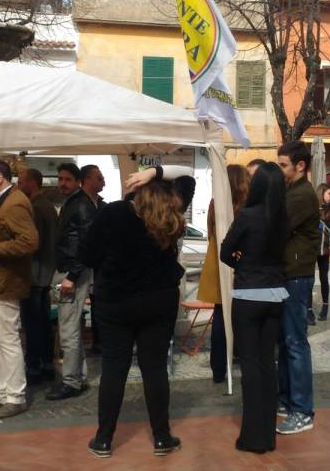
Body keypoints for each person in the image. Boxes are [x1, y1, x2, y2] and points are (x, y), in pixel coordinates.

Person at [82, 166, 194, 458]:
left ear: (136, 188)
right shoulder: (170, 211)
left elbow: (86, 254)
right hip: (158, 300)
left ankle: (104, 439)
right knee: (154, 368)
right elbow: (188, 176)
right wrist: (156, 172)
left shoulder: (113, 212)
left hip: (115, 301)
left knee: (114, 369)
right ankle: (162, 437)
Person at [221, 162, 287, 454]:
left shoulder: (247, 216)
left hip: (248, 292)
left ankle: (252, 436)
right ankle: (268, 436)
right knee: (268, 362)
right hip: (275, 292)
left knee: (249, 363)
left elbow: (225, 251)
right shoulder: (283, 217)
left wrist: (242, 262)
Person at [0, 158, 39, 419]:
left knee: (7, 340)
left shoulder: (14, 203)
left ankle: (15, 397)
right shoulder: (4, 201)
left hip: (5, 283)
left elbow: (30, 241)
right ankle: (3, 393)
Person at [48, 163, 105, 401]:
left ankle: (71, 381)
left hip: (72, 273)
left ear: (79, 181)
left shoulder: (80, 205)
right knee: (70, 327)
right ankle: (77, 378)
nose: (62, 183)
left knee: (68, 329)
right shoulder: (76, 203)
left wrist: (71, 276)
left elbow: (86, 244)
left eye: (67, 179)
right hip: (71, 270)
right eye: (60, 179)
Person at [275, 140, 320, 435]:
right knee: (286, 341)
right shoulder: (292, 191)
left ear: (300, 166)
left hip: (296, 276)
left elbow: (276, 227)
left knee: (295, 343)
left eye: (283, 165)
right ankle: (286, 400)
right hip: (288, 274)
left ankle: (302, 411)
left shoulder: (301, 195)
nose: (279, 170)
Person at [197, 164, 250, 383]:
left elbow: (211, 233)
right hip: (239, 263)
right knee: (242, 316)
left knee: (220, 315)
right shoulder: (247, 207)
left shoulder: (215, 204)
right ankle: (242, 360)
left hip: (218, 262)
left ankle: (218, 368)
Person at [18, 167, 58, 385]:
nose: (18, 185)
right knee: (42, 322)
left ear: (33, 183)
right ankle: (47, 363)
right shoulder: (48, 206)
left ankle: (34, 366)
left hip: (34, 274)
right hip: (44, 274)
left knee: (33, 323)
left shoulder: (35, 207)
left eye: (21, 181)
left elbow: (32, 242)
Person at [315, 184, 330, 322]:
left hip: (324, 249)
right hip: (312, 249)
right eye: (329, 193)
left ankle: (325, 306)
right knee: (309, 279)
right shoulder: (312, 208)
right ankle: (308, 309)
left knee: (324, 278)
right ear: (321, 193)